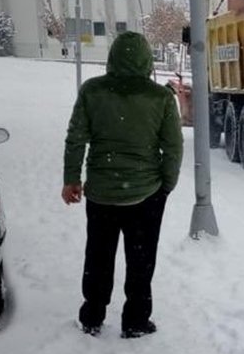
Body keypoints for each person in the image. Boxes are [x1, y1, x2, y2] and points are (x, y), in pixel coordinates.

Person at [62, 31, 183, 338]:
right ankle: (136, 320)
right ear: (146, 60)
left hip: (101, 192)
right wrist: (166, 185)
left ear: (112, 57)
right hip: (146, 194)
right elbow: (173, 147)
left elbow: (76, 139)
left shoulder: (92, 91)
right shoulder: (161, 97)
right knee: (141, 259)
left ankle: (92, 315)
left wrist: (71, 179)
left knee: (98, 255)